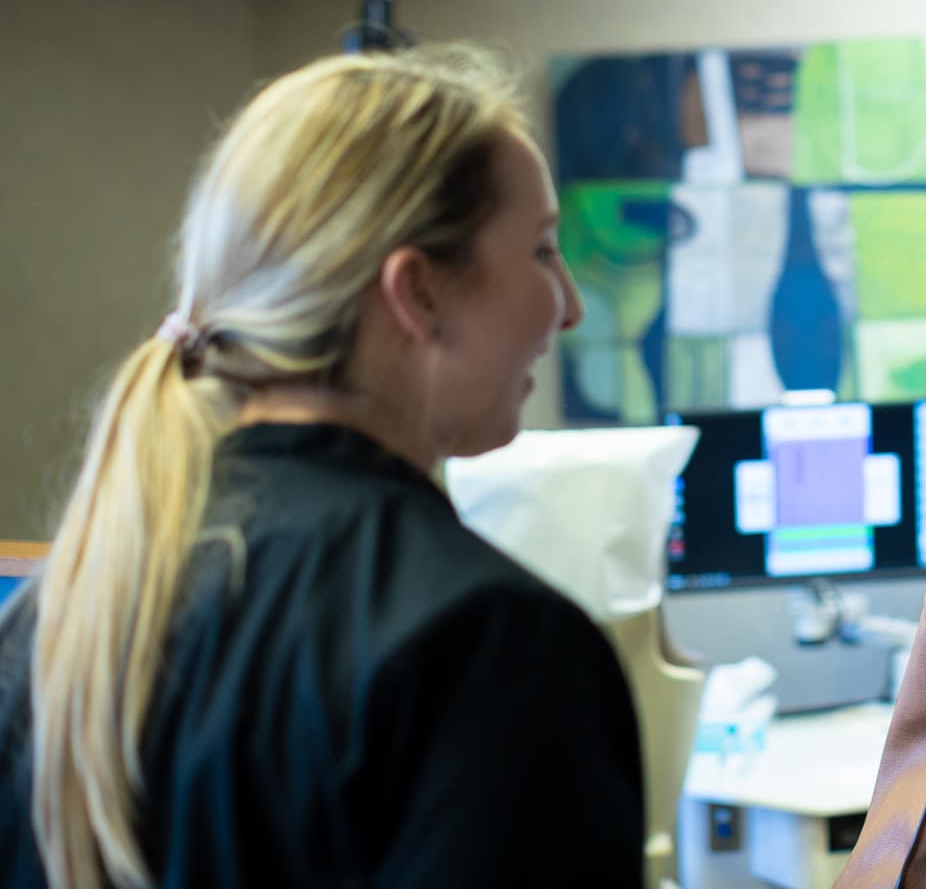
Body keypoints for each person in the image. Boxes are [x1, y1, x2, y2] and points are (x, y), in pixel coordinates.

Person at [0, 47, 646, 889]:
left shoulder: (58, 618)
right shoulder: (489, 646)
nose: (570, 306)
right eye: (543, 250)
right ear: (418, 292)